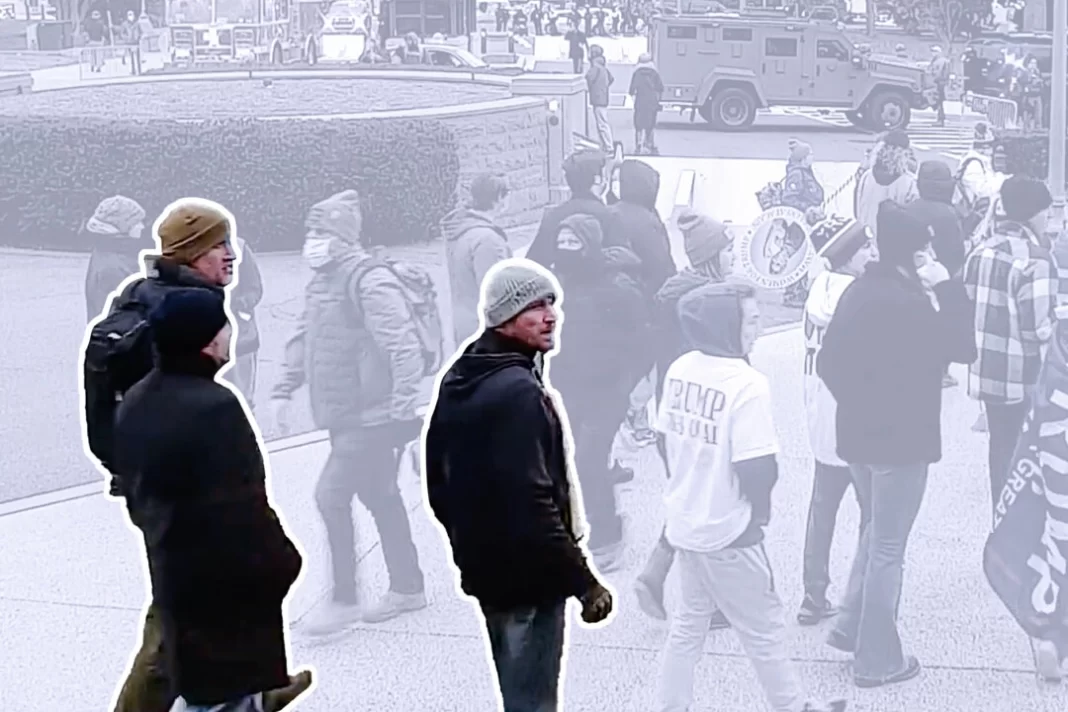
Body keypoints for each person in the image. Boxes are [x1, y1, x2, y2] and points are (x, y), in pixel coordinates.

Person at [423, 259, 614, 712]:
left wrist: (470, 542)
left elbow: (438, 484)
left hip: (489, 571)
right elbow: (535, 502)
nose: (550, 314)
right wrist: (584, 582)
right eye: (534, 306)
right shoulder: (517, 392)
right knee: (532, 702)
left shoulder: (465, 371)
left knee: (518, 695)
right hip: (530, 576)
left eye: (552, 302)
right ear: (505, 317)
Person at [113, 289, 313, 712]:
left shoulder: (136, 400)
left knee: (201, 684)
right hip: (228, 585)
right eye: (223, 326)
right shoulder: (215, 409)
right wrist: (284, 562)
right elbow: (245, 504)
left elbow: (135, 494)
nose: (230, 332)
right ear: (208, 341)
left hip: (174, 570)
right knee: (222, 695)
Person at [653, 281, 847, 712]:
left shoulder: (681, 367)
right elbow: (758, 468)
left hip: (687, 521)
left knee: (688, 625)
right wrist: (756, 516)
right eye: (752, 319)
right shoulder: (746, 384)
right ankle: (793, 706)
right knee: (764, 629)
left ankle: (670, 705)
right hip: (729, 529)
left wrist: (688, 486)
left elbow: (662, 440)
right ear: (727, 325)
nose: (758, 327)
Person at [83, 200, 238, 712]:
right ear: (193, 254)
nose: (231, 256)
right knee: (176, 612)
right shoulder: (177, 311)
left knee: (196, 602)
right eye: (219, 246)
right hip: (176, 491)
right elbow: (171, 411)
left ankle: (245, 689)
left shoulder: (139, 294)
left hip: (149, 482)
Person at [817, 201, 976, 688]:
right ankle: (877, 658)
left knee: (873, 530)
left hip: (857, 437)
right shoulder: (912, 304)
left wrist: (859, 402)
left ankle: (849, 622)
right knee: (889, 546)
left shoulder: (859, 291)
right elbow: (963, 348)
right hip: (902, 442)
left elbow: (828, 363)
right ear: (918, 253)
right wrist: (947, 285)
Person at [270, 190, 428, 635]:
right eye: (310, 231)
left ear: (342, 236)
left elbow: (402, 345)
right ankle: (409, 586)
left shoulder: (368, 280)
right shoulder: (323, 279)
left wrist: (401, 412)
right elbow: (305, 338)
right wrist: (284, 389)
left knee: (330, 496)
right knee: (380, 495)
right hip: (344, 414)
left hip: (372, 416)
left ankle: (344, 599)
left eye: (321, 231)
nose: (312, 240)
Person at [636, 210, 735, 630]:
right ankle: (706, 603)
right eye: (727, 249)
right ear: (712, 255)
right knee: (711, 504)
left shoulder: (673, 295)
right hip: (705, 415)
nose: (733, 255)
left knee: (693, 499)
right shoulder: (708, 304)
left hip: (673, 415)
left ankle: (657, 575)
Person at [548, 214, 650, 571]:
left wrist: (628, 386)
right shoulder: (559, 284)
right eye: (561, 242)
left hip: (607, 391)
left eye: (573, 243)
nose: (565, 249)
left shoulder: (618, 288)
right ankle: (580, 525)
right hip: (569, 386)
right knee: (571, 461)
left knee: (590, 458)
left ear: (589, 245)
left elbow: (642, 341)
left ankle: (609, 534)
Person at [798, 217, 877, 626]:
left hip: (821, 415)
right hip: (857, 419)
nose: (872, 253)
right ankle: (862, 594)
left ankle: (813, 593)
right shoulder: (858, 296)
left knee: (822, 510)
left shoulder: (818, 290)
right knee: (873, 513)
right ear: (848, 257)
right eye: (865, 248)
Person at [963, 176, 1057, 515]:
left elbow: (967, 304)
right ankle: (1023, 539)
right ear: (1033, 214)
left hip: (988, 372)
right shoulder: (1037, 260)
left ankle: (999, 527)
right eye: (1047, 212)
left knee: (1001, 452)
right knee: (1031, 458)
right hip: (1027, 376)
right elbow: (1039, 329)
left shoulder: (980, 251)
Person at [440, 173, 513, 346]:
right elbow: (495, 294)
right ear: (499, 198)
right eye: (507, 192)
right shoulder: (488, 240)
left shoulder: (461, 229)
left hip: (463, 322)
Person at [526, 148, 627, 267]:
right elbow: (623, 262)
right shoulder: (611, 217)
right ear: (597, 179)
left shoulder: (553, 216)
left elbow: (533, 264)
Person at [83, 195, 149, 322]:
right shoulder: (113, 269)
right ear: (122, 226)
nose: (141, 226)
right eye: (136, 222)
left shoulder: (109, 252)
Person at [780, 139, 826, 308]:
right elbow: (789, 199)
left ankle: (799, 290)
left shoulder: (805, 172)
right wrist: (808, 209)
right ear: (803, 158)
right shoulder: (797, 174)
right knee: (797, 257)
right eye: (810, 154)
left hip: (805, 224)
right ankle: (793, 293)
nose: (812, 157)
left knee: (804, 256)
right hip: (797, 224)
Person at [225, 236, 264, 409]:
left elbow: (254, 287)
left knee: (242, 398)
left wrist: (241, 304)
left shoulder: (239, 247)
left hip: (240, 339)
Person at [855, 130, 919, 237]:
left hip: (866, 238)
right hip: (892, 242)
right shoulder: (910, 182)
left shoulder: (867, 176)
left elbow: (858, 209)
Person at [629, 53, 663, 156]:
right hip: (652, 102)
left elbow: (631, 90)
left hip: (640, 101)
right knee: (651, 125)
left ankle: (638, 145)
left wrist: (633, 93)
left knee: (638, 125)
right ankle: (650, 144)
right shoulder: (654, 72)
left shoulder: (637, 73)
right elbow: (660, 87)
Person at [585, 44, 615, 153]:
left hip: (597, 98)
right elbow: (611, 78)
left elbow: (588, 77)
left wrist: (595, 88)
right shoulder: (602, 66)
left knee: (602, 123)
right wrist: (603, 87)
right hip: (603, 97)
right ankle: (605, 145)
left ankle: (608, 146)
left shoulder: (595, 67)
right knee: (602, 122)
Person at [928, 46, 951, 126]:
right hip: (940, 83)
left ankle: (940, 120)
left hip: (939, 84)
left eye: (934, 51)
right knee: (939, 102)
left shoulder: (940, 61)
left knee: (938, 101)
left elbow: (938, 73)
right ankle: (940, 119)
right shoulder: (938, 61)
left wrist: (932, 80)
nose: (932, 53)